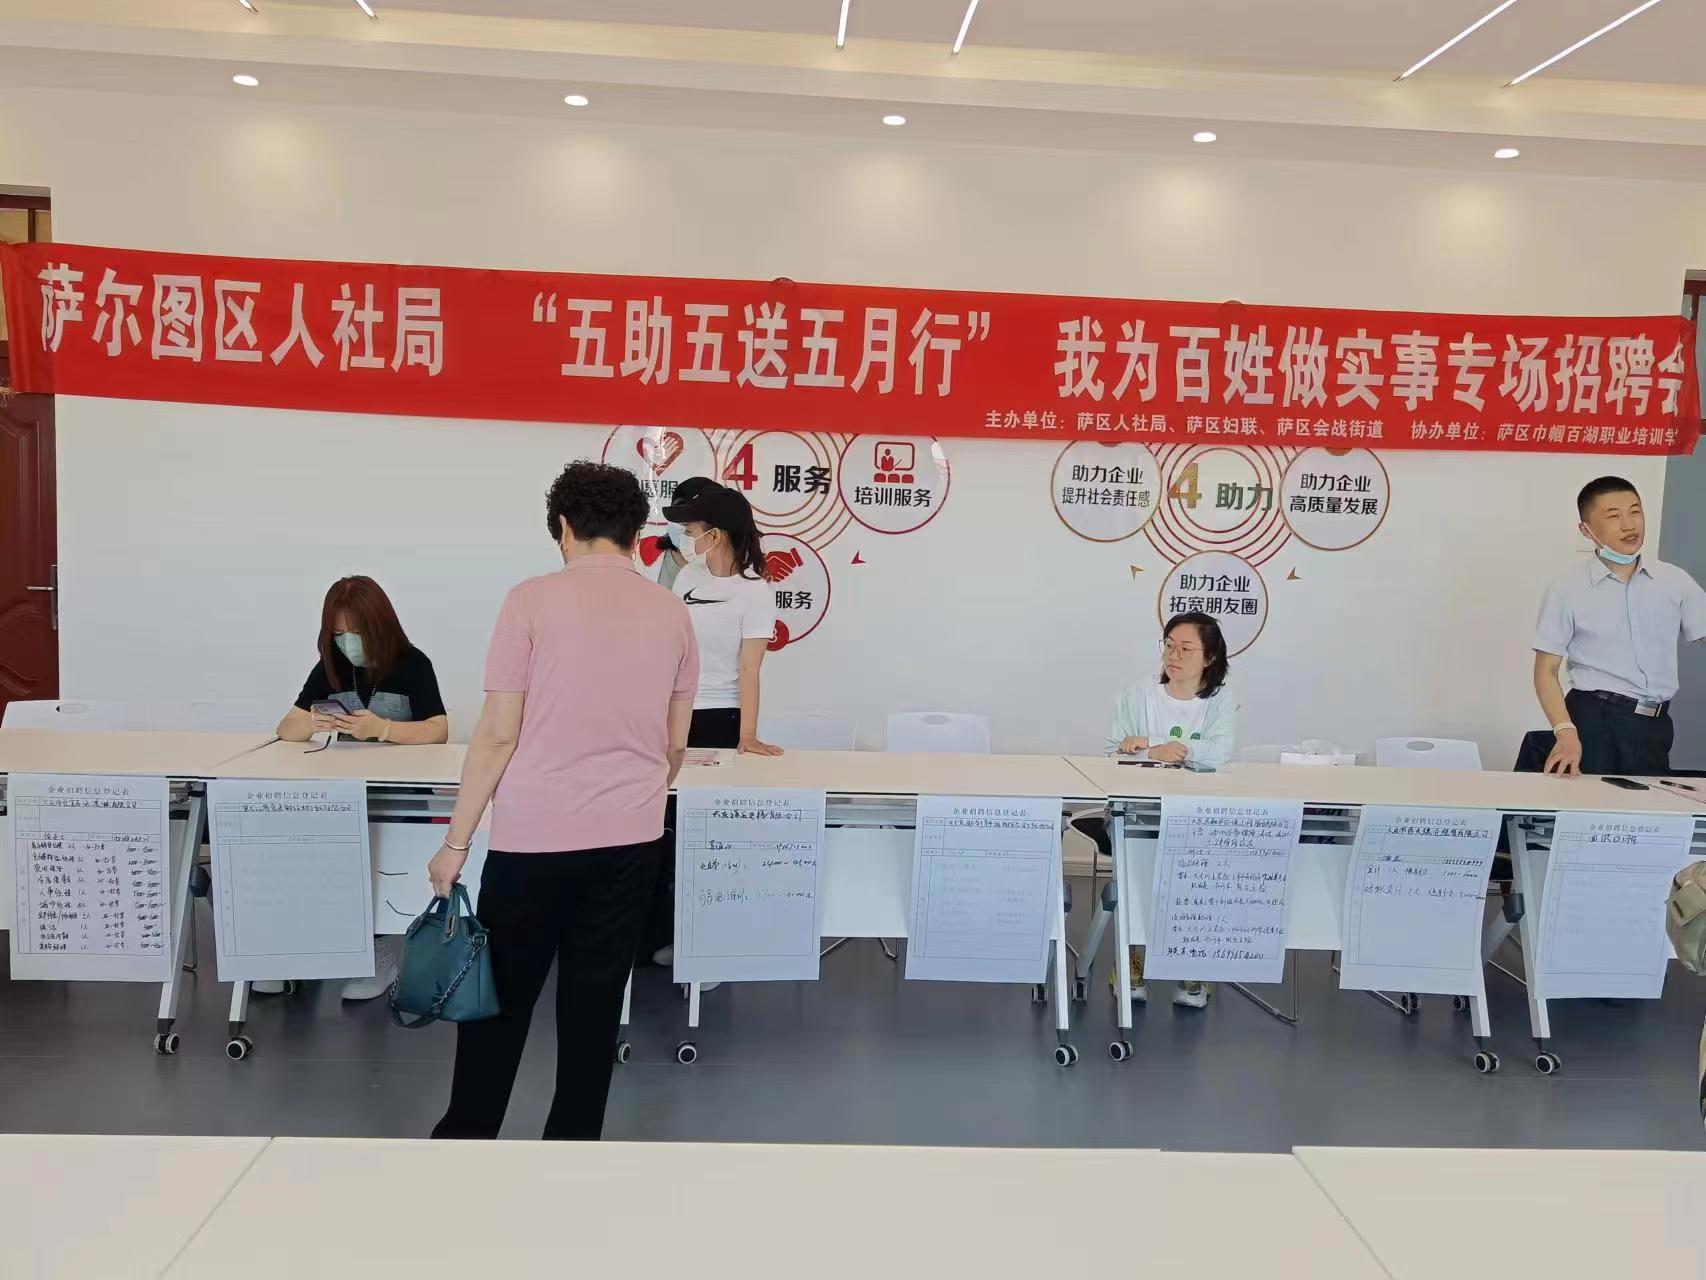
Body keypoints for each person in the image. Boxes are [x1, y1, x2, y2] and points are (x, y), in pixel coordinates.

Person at [427, 461, 696, 1141]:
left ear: (566, 528)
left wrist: (456, 843)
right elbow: (674, 745)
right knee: (594, 1009)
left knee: (499, 1004)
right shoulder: (672, 613)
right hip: (631, 842)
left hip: (533, 841)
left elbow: (498, 734)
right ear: (634, 533)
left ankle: (466, 1140)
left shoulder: (529, 601)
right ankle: (572, 1154)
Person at [275, 575, 448, 1000]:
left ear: (379, 625)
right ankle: (297, 953)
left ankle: (379, 954)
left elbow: (438, 729)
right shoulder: (332, 667)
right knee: (304, 854)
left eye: (355, 632)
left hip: (401, 801)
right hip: (343, 795)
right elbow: (287, 727)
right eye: (338, 634)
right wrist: (313, 721)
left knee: (375, 866)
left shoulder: (412, 663)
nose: (347, 642)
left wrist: (385, 729)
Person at [646, 480, 783, 966]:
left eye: (693, 530)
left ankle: (707, 946)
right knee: (662, 829)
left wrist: (746, 735)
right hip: (672, 713)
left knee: (708, 836)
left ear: (717, 534)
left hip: (721, 718)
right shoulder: (688, 578)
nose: (687, 537)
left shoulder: (755, 592)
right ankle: (655, 937)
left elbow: (749, 669)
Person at [1093, 610, 1239, 1008]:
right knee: (1138, 876)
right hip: (1138, 812)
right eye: (1169, 646)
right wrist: (1152, 751)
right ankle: (1131, 961)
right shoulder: (1138, 694)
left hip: (1198, 815)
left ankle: (1191, 965)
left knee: (1198, 881)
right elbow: (1112, 752)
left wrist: (1163, 746)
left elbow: (1221, 752)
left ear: (1210, 657)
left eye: (1186, 649)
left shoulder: (1221, 700)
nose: (1173, 655)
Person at [1534, 476, 1706, 776]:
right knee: (1588, 805)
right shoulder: (1567, 588)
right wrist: (1565, 732)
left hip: (1655, 725)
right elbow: (1545, 671)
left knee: (1652, 805)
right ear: (1586, 530)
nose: (1629, 525)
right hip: (1593, 722)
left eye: (1635, 512)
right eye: (1613, 516)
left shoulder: (1674, 581)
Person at [646, 475, 718, 592]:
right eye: (679, 520)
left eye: (689, 524)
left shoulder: (726, 568)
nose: (684, 529)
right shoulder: (644, 551)